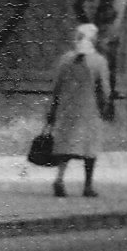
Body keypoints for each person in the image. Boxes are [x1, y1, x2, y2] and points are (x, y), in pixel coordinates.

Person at [45, 21, 113, 199]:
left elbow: (57, 86)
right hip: (89, 110)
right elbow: (104, 89)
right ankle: (87, 186)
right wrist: (105, 106)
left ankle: (59, 180)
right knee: (90, 148)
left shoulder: (66, 59)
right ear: (94, 40)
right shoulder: (99, 61)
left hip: (67, 109)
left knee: (65, 146)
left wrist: (52, 109)